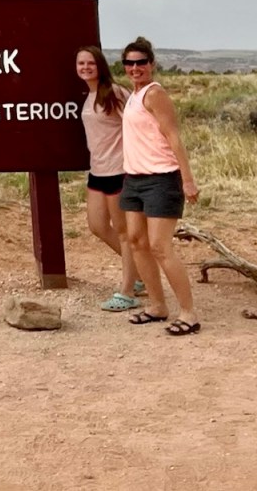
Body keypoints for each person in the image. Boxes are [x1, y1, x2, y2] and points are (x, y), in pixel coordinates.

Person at [118, 37, 201, 336]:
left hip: (161, 178)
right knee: (137, 242)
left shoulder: (154, 94)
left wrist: (187, 179)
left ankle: (188, 313)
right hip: (134, 178)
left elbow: (173, 136)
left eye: (141, 62)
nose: (135, 68)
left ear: (151, 64)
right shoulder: (133, 95)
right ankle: (157, 306)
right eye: (130, 63)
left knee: (160, 246)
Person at [75, 45, 143, 312]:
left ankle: (128, 291)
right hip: (97, 171)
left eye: (90, 63)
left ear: (100, 65)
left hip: (119, 170)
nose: (85, 68)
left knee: (125, 232)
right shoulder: (90, 96)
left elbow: (137, 124)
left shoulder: (114, 93)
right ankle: (140, 271)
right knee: (98, 226)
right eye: (81, 63)